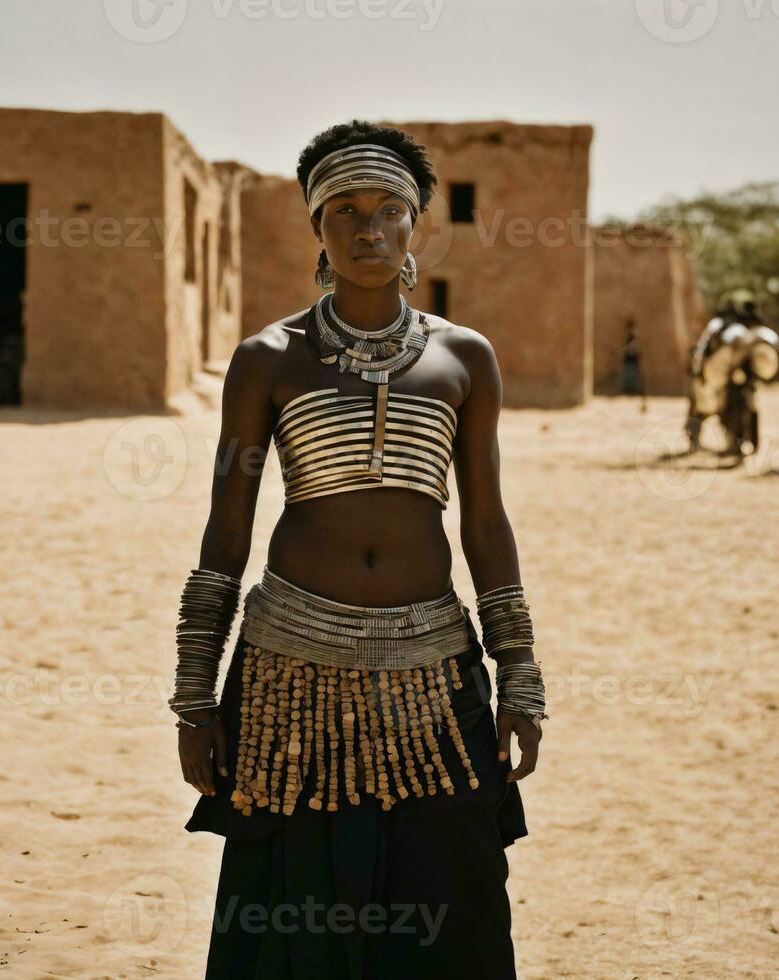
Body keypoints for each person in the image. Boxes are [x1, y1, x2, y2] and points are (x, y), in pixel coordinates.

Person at [171, 121, 544, 979]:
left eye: (388, 211)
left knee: (454, 900)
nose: (367, 229)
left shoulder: (464, 359)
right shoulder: (267, 359)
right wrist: (195, 694)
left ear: (416, 226)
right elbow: (227, 530)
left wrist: (518, 672)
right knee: (292, 910)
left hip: (433, 667)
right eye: (343, 211)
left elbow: (484, 522)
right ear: (315, 227)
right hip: (287, 668)